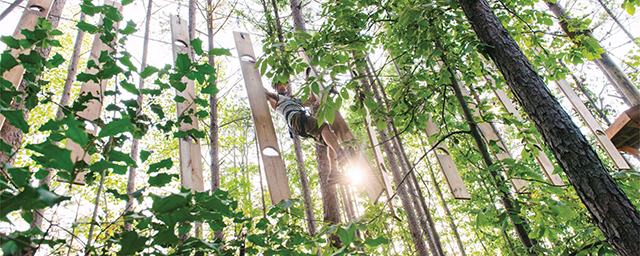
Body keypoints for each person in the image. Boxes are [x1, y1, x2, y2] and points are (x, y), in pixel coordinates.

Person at [264, 81, 351, 185]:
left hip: (300, 121)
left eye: (284, 86)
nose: (282, 87)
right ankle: (340, 153)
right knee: (324, 127)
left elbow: (312, 101)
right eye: (280, 86)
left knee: (331, 138)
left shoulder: (294, 99)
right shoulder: (276, 98)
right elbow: (265, 93)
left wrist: (310, 82)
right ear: (275, 88)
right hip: (295, 118)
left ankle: (334, 172)